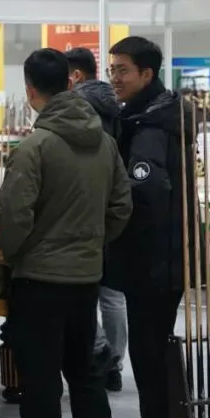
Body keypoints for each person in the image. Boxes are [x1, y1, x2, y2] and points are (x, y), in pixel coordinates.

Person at [0, 49, 132, 418]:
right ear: (70, 83)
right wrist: (92, 245)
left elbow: (13, 216)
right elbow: (121, 206)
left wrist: (19, 255)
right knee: (85, 370)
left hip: (39, 280)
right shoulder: (105, 143)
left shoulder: (35, 147)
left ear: (30, 90)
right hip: (85, 278)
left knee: (40, 376)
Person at [106, 36, 194, 418]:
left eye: (122, 70)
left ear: (147, 73)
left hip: (154, 260)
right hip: (164, 255)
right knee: (154, 346)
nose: (114, 78)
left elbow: (147, 194)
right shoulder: (155, 114)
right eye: (111, 70)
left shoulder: (151, 126)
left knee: (148, 349)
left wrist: (116, 226)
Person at [66, 47, 127, 392]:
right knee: (113, 294)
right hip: (113, 202)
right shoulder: (117, 103)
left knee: (83, 290)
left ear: (75, 76)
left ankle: (102, 353)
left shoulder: (77, 105)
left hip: (85, 205)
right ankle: (115, 363)